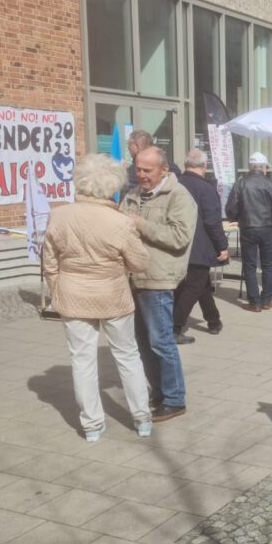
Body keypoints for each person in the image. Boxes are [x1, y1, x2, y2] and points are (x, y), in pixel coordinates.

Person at [42, 155, 153, 441]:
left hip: (74, 292)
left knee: (82, 360)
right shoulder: (119, 222)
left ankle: (92, 424)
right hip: (113, 293)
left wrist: (57, 289)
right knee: (127, 355)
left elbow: (49, 261)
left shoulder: (59, 215)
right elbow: (140, 263)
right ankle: (141, 417)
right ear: (112, 185)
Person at [119, 145, 196, 422]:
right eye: (138, 169)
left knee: (160, 341)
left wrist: (139, 224)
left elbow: (179, 237)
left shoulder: (179, 196)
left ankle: (175, 398)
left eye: (147, 170)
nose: (141, 175)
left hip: (159, 278)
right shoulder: (132, 195)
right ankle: (159, 393)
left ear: (164, 170)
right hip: (133, 278)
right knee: (143, 342)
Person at [173, 148, 228, 343]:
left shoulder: (175, 184)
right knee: (193, 287)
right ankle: (175, 327)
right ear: (204, 166)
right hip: (199, 245)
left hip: (178, 243)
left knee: (201, 284)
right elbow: (213, 221)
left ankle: (214, 321)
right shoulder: (206, 188)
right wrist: (223, 245)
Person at [225, 151, 272, 311]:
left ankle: (255, 301)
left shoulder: (241, 183)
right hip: (267, 228)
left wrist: (236, 218)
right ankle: (267, 299)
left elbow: (231, 207)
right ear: (264, 167)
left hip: (248, 227)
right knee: (268, 265)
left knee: (249, 265)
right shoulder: (271, 184)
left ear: (250, 167)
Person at [126, 129, 180, 196]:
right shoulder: (170, 164)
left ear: (137, 146)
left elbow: (128, 194)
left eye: (129, 147)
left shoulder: (134, 169)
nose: (141, 174)